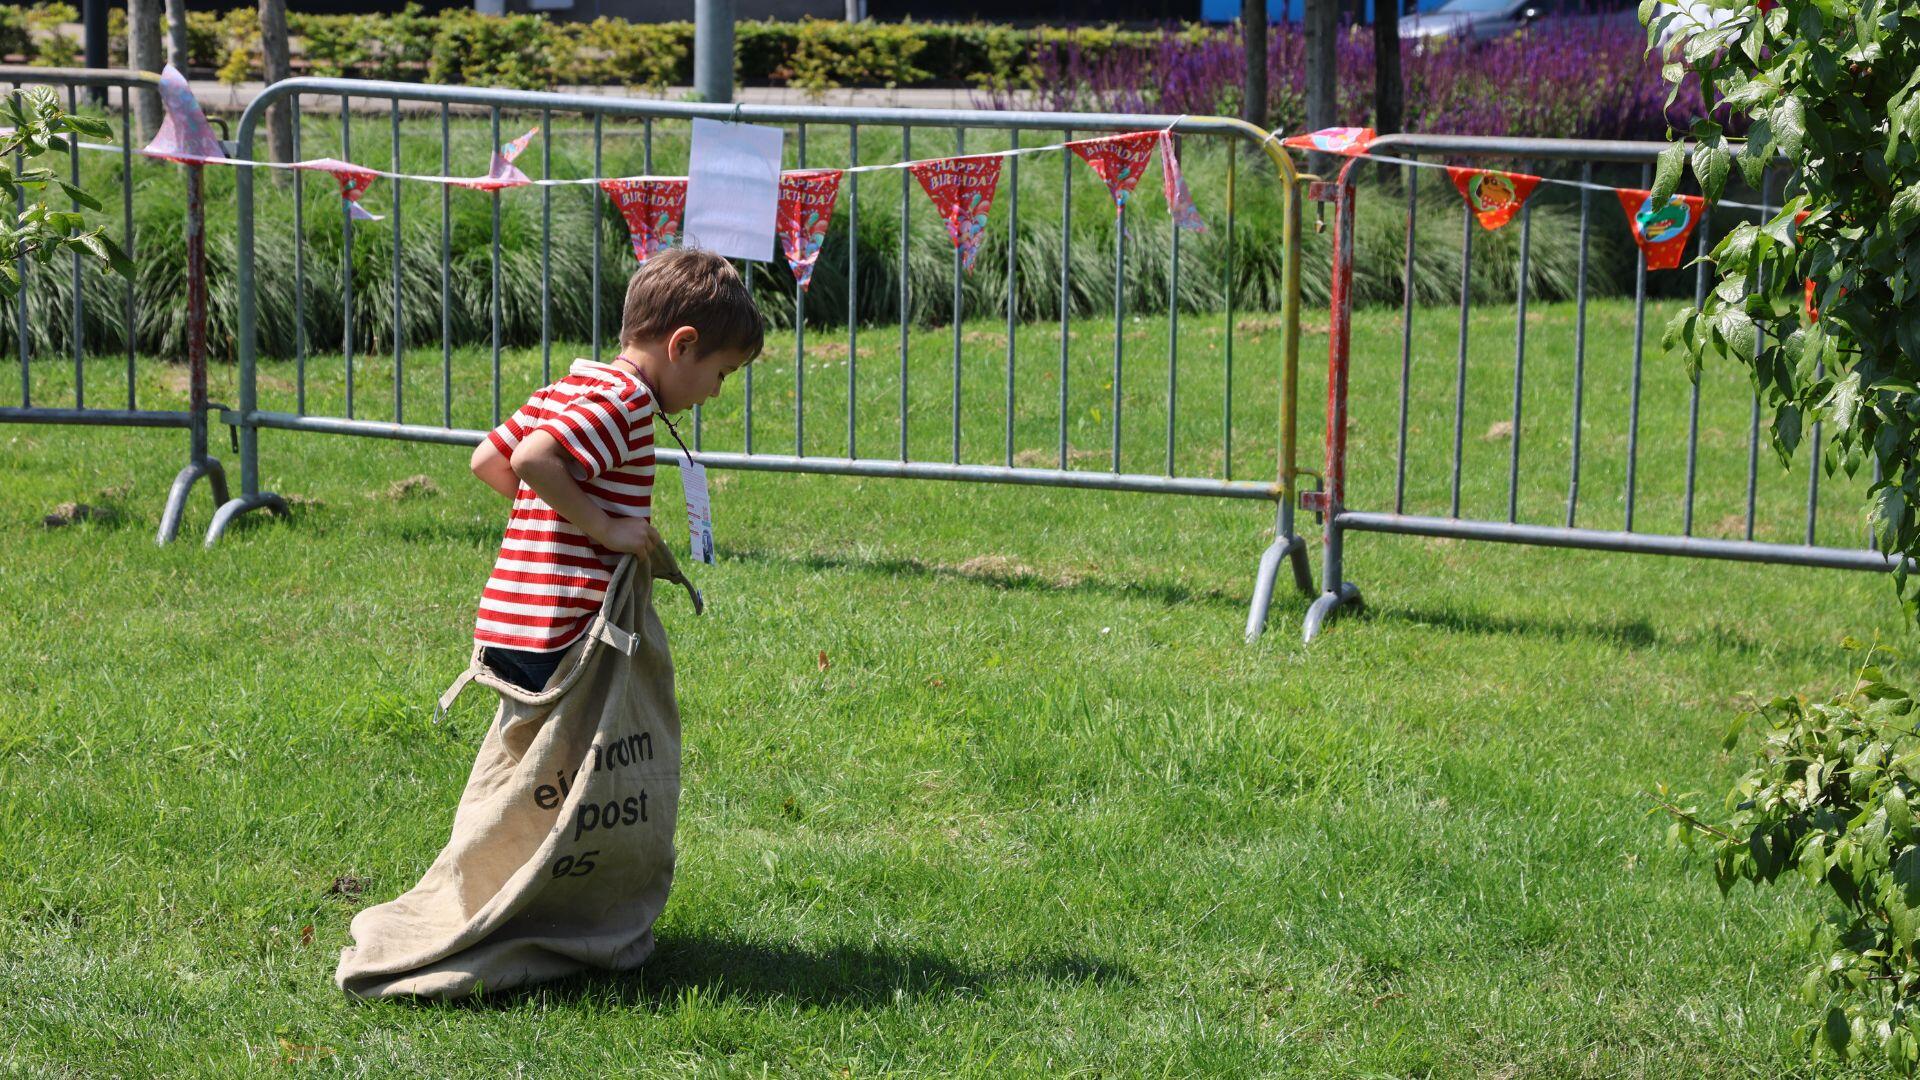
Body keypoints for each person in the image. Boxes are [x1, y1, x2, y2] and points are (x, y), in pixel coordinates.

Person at [466, 248, 762, 692]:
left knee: (530, 750)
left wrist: (563, 507)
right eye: (722, 373)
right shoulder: (629, 401)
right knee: (582, 753)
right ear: (682, 345)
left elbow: (489, 462)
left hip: (510, 619)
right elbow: (531, 460)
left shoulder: (564, 389)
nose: (716, 392)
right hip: (565, 624)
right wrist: (603, 527)